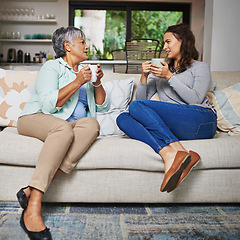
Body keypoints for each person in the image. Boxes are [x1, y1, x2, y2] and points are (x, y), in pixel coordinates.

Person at [16, 26, 110, 240]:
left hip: (66, 127)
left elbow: (102, 107)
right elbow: (49, 106)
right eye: (82, 42)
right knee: (63, 128)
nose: (87, 46)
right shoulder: (52, 67)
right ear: (68, 46)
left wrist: (96, 82)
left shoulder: (85, 72)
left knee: (92, 125)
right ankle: (33, 205)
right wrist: (78, 81)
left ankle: (30, 189)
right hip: (34, 118)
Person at [117, 23, 217, 194]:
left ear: (183, 41)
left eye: (168, 42)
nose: (164, 47)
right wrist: (144, 76)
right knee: (123, 118)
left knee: (135, 107)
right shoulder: (162, 70)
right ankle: (169, 155)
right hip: (177, 126)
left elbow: (195, 99)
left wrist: (169, 76)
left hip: (202, 120)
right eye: (164, 43)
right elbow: (140, 103)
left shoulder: (200, 67)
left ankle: (177, 150)